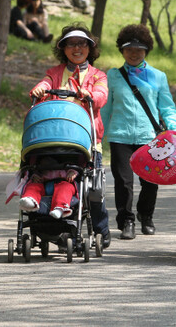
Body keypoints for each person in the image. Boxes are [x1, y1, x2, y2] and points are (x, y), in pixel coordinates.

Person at [29, 23, 111, 248]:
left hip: (86, 141)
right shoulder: (55, 73)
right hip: (54, 138)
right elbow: (45, 84)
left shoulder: (98, 75)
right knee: (51, 181)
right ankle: (56, 229)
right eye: (71, 44)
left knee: (92, 191)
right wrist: (39, 88)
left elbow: (101, 95)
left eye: (82, 43)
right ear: (63, 49)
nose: (77, 48)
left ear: (90, 48)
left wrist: (90, 94)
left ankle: (101, 230)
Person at [102, 24, 176, 240]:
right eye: (129, 49)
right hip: (120, 136)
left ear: (146, 51)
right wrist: (98, 136)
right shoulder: (113, 75)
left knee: (150, 181)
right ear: (122, 51)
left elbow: (167, 107)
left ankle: (146, 216)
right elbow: (105, 108)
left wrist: (174, 131)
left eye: (139, 49)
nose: (134, 53)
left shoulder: (158, 76)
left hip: (150, 138)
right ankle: (126, 221)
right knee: (123, 182)